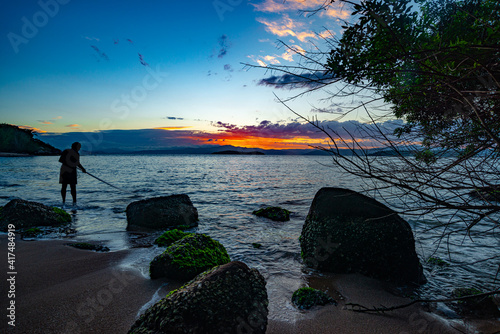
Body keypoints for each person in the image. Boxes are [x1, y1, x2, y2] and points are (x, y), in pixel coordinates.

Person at [59, 142, 86, 207]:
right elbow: (77, 163)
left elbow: (61, 160)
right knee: (71, 187)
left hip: (65, 170)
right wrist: (82, 169)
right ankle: (73, 202)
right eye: (79, 147)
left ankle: (65, 202)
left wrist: (82, 168)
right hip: (69, 171)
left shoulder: (66, 151)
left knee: (65, 186)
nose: (79, 148)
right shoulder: (75, 153)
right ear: (76, 147)